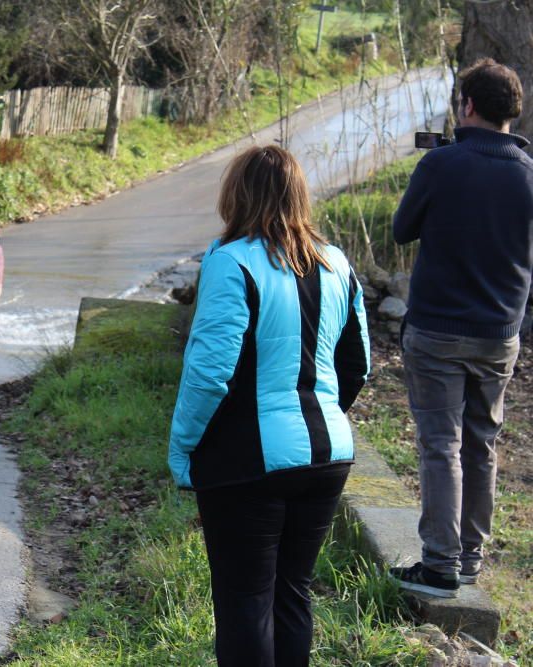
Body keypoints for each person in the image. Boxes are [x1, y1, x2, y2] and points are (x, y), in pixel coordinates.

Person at [168, 145, 370, 667]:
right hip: (328, 455)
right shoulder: (338, 264)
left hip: (248, 462)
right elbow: (359, 363)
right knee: (292, 594)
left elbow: (211, 373)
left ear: (236, 195)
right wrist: (321, 411)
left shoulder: (230, 259)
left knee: (245, 604)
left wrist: (182, 448)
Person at [390, 58, 533, 598]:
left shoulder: (441, 165)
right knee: (481, 444)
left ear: (467, 105)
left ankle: (439, 563)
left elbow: (403, 230)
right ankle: (470, 557)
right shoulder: (527, 173)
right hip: (500, 333)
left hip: (437, 332)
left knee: (439, 445)